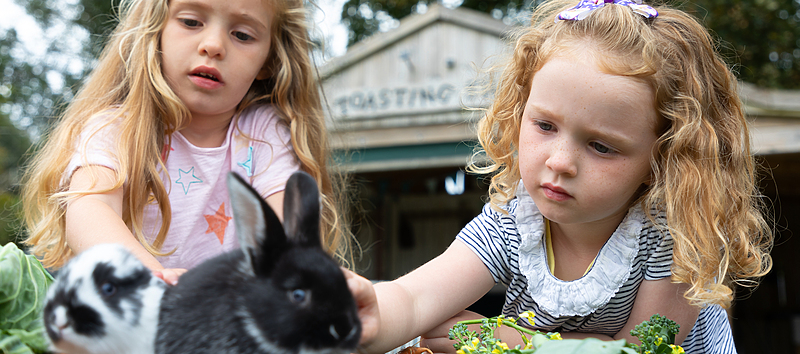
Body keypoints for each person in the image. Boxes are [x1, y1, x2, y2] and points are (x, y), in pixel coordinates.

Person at [345, 0, 774, 353]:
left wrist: (506, 340)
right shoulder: (511, 223)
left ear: (664, 158)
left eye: (601, 146)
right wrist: (362, 313)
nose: (560, 161)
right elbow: (414, 298)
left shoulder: (672, 237)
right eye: (545, 126)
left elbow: (645, 348)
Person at [21, 0, 353, 285]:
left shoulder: (264, 135)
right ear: (156, 30)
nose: (214, 45)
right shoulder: (116, 128)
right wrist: (149, 279)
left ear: (268, 61)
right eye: (191, 22)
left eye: (242, 35)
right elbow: (91, 210)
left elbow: (287, 223)